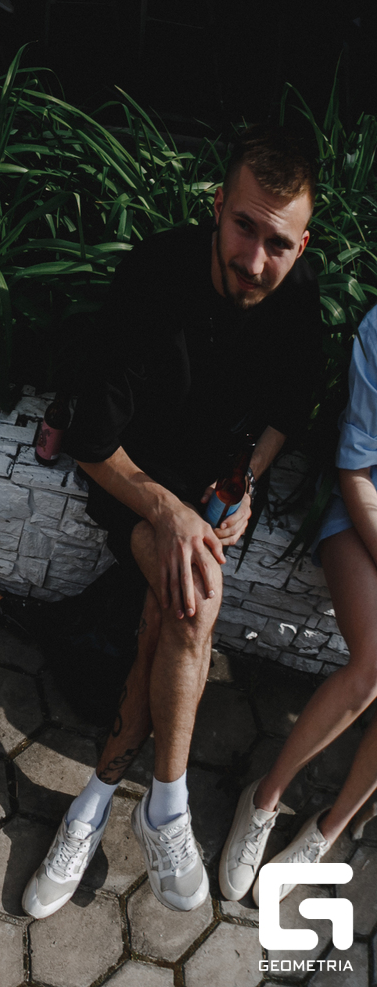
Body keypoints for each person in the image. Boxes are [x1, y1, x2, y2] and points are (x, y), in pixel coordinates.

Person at [21, 129, 324, 920]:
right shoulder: (154, 275)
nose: (255, 260)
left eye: (279, 243)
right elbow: (92, 446)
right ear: (218, 207)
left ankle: (94, 800)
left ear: (302, 245)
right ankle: (166, 806)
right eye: (244, 227)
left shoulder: (300, 297)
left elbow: (288, 413)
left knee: (176, 603)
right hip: (134, 481)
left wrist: (247, 478)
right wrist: (170, 510)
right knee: (192, 596)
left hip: (212, 497)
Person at [219, 302, 377, 902]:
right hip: (362, 510)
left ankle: (328, 829)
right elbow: (356, 472)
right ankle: (263, 799)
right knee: (372, 667)